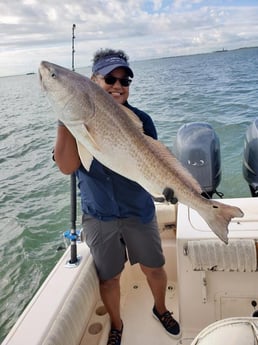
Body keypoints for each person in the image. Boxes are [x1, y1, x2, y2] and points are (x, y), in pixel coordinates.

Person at [54, 48, 180, 345]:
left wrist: (169, 186)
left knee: (155, 268)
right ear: (92, 82)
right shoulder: (74, 118)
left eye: (125, 81)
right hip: (99, 215)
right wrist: (64, 119)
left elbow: (154, 162)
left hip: (138, 210)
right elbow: (67, 166)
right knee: (109, 277)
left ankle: (160, 309)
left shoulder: (141, 120)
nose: (117, 86)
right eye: (109, 78)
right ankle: (117, 325)